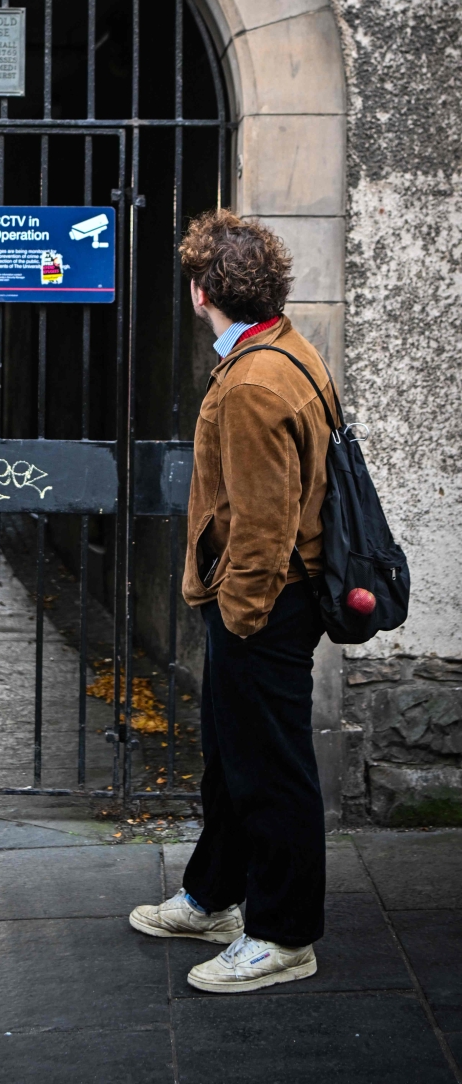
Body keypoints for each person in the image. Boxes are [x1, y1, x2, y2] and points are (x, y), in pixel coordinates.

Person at [130, 209, 335, 994]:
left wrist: (241, 618)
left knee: (272, 771)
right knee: (232, 759)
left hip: (265, 606)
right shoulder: (282, 349)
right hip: (265, 602)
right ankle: (214, 896)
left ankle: (284, 934)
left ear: (200, 291)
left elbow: (264, 524)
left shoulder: (253, 380)